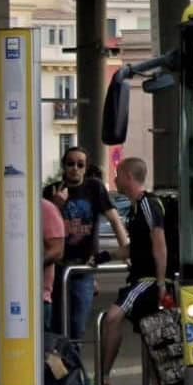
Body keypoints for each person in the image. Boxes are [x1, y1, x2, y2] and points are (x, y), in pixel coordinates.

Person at [98, 158, 171, 385]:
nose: (115, 179)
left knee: (113, 317)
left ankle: (104, 376)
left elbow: (158, 243)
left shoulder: (148, 205)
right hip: (143, 278)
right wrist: (106, 256)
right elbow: (137, 247)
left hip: (147, 280)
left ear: (129, 176)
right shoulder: (136, 208)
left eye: (118, 174)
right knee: (150, 338)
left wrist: (160, 283)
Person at [44, 146, 129, 340]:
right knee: (55, 326)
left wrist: (126, 250)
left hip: (83, 268)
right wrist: (57, 204)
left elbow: (115, 220)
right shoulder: (51, 191)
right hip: (55, 268)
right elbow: (41, 229)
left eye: (80, 164)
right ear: (63, 166)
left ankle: (72, 366)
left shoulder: (94, 188)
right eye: (70, 164)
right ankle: (59, 368)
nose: (75, 168)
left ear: (85, 167)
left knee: (77, 326)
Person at [0, 196, 65, 332]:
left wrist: (26, 267)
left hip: (34, 299)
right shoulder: (7, 207)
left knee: (36, 351)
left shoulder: (45, 209)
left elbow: (57, 250)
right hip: (1, 298)